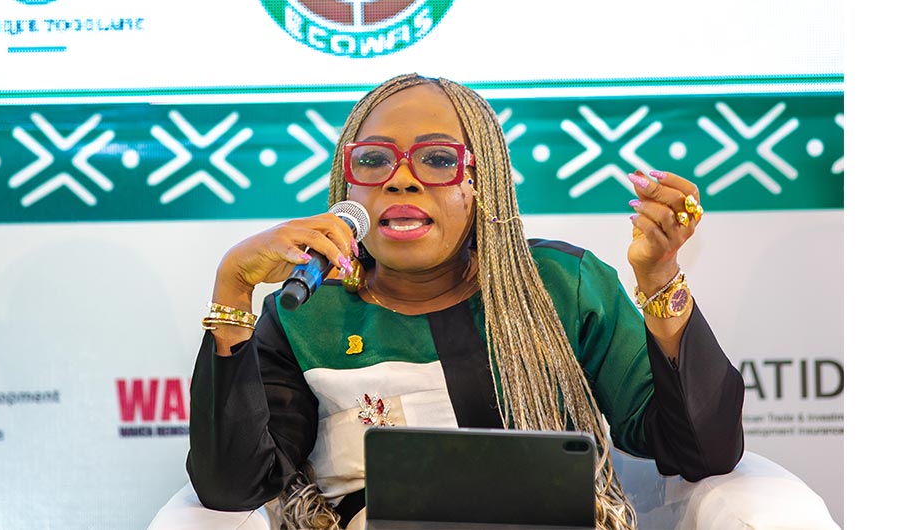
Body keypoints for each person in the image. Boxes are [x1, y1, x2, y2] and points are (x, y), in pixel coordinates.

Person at [186, 74, 744, 530]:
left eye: (436, 159)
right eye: (374, 160)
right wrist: (233, 287)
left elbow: (700, 450)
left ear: (484, 183)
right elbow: (233, 487)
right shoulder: (306, 312)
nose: (400, 181)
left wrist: (660, 276)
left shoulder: (561, 286)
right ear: (346, 184)